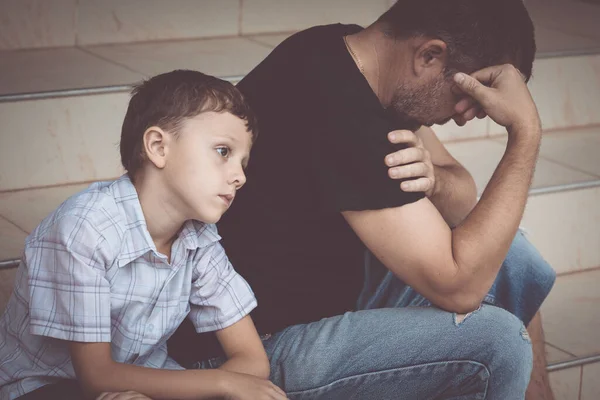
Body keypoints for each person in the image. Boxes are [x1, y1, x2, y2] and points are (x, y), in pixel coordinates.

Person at [168, 1, 557, 399]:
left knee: (512, 256)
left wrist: (436, 180)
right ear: (429, 55)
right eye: (466, 96)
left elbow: (462, 196)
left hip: (328, 296)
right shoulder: (338, 111)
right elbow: (460, 286)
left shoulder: (355, 54)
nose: (464, 116)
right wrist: (525, 135)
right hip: (250, 352)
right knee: (496, 344)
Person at [0, 70, 288, 400]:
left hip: (144, 384)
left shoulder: (199, 239)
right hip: (43, 387)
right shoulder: (86, 228)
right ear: (157, 146)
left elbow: (252, 359)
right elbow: (97, 376)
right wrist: (224, 383)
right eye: (223, 151)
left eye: (243, 163)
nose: (239, 177)